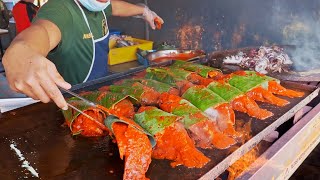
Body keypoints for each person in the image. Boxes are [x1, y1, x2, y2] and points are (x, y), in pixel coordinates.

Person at [2, 0, 163, 110]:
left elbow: (116, 7)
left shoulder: (100, 5)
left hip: (100, 95)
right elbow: (42, 30)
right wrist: (22, 50)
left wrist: (144, 11)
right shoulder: (60, 8)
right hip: (71, 105)